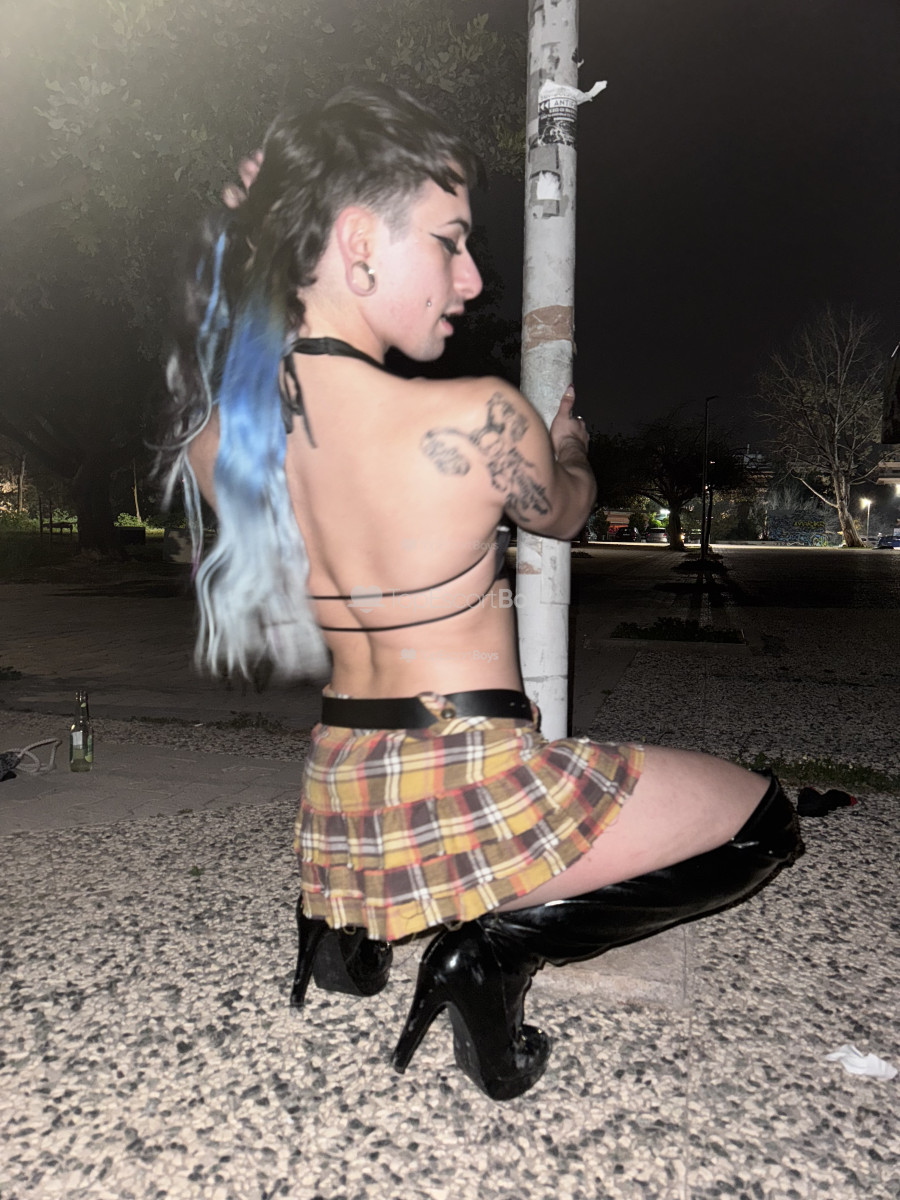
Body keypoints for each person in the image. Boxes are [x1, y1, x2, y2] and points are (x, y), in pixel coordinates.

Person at [160, 85, 801, 1102]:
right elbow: (568, 514)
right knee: (767, 824)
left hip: (341, 794)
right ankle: (494, 952)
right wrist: (570, 446)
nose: (471, 277)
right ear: (359, 242)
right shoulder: (479, 422)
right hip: (474, 780)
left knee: (389, 809)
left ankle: (342, 932)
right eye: (450, 241)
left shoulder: (217, 443)